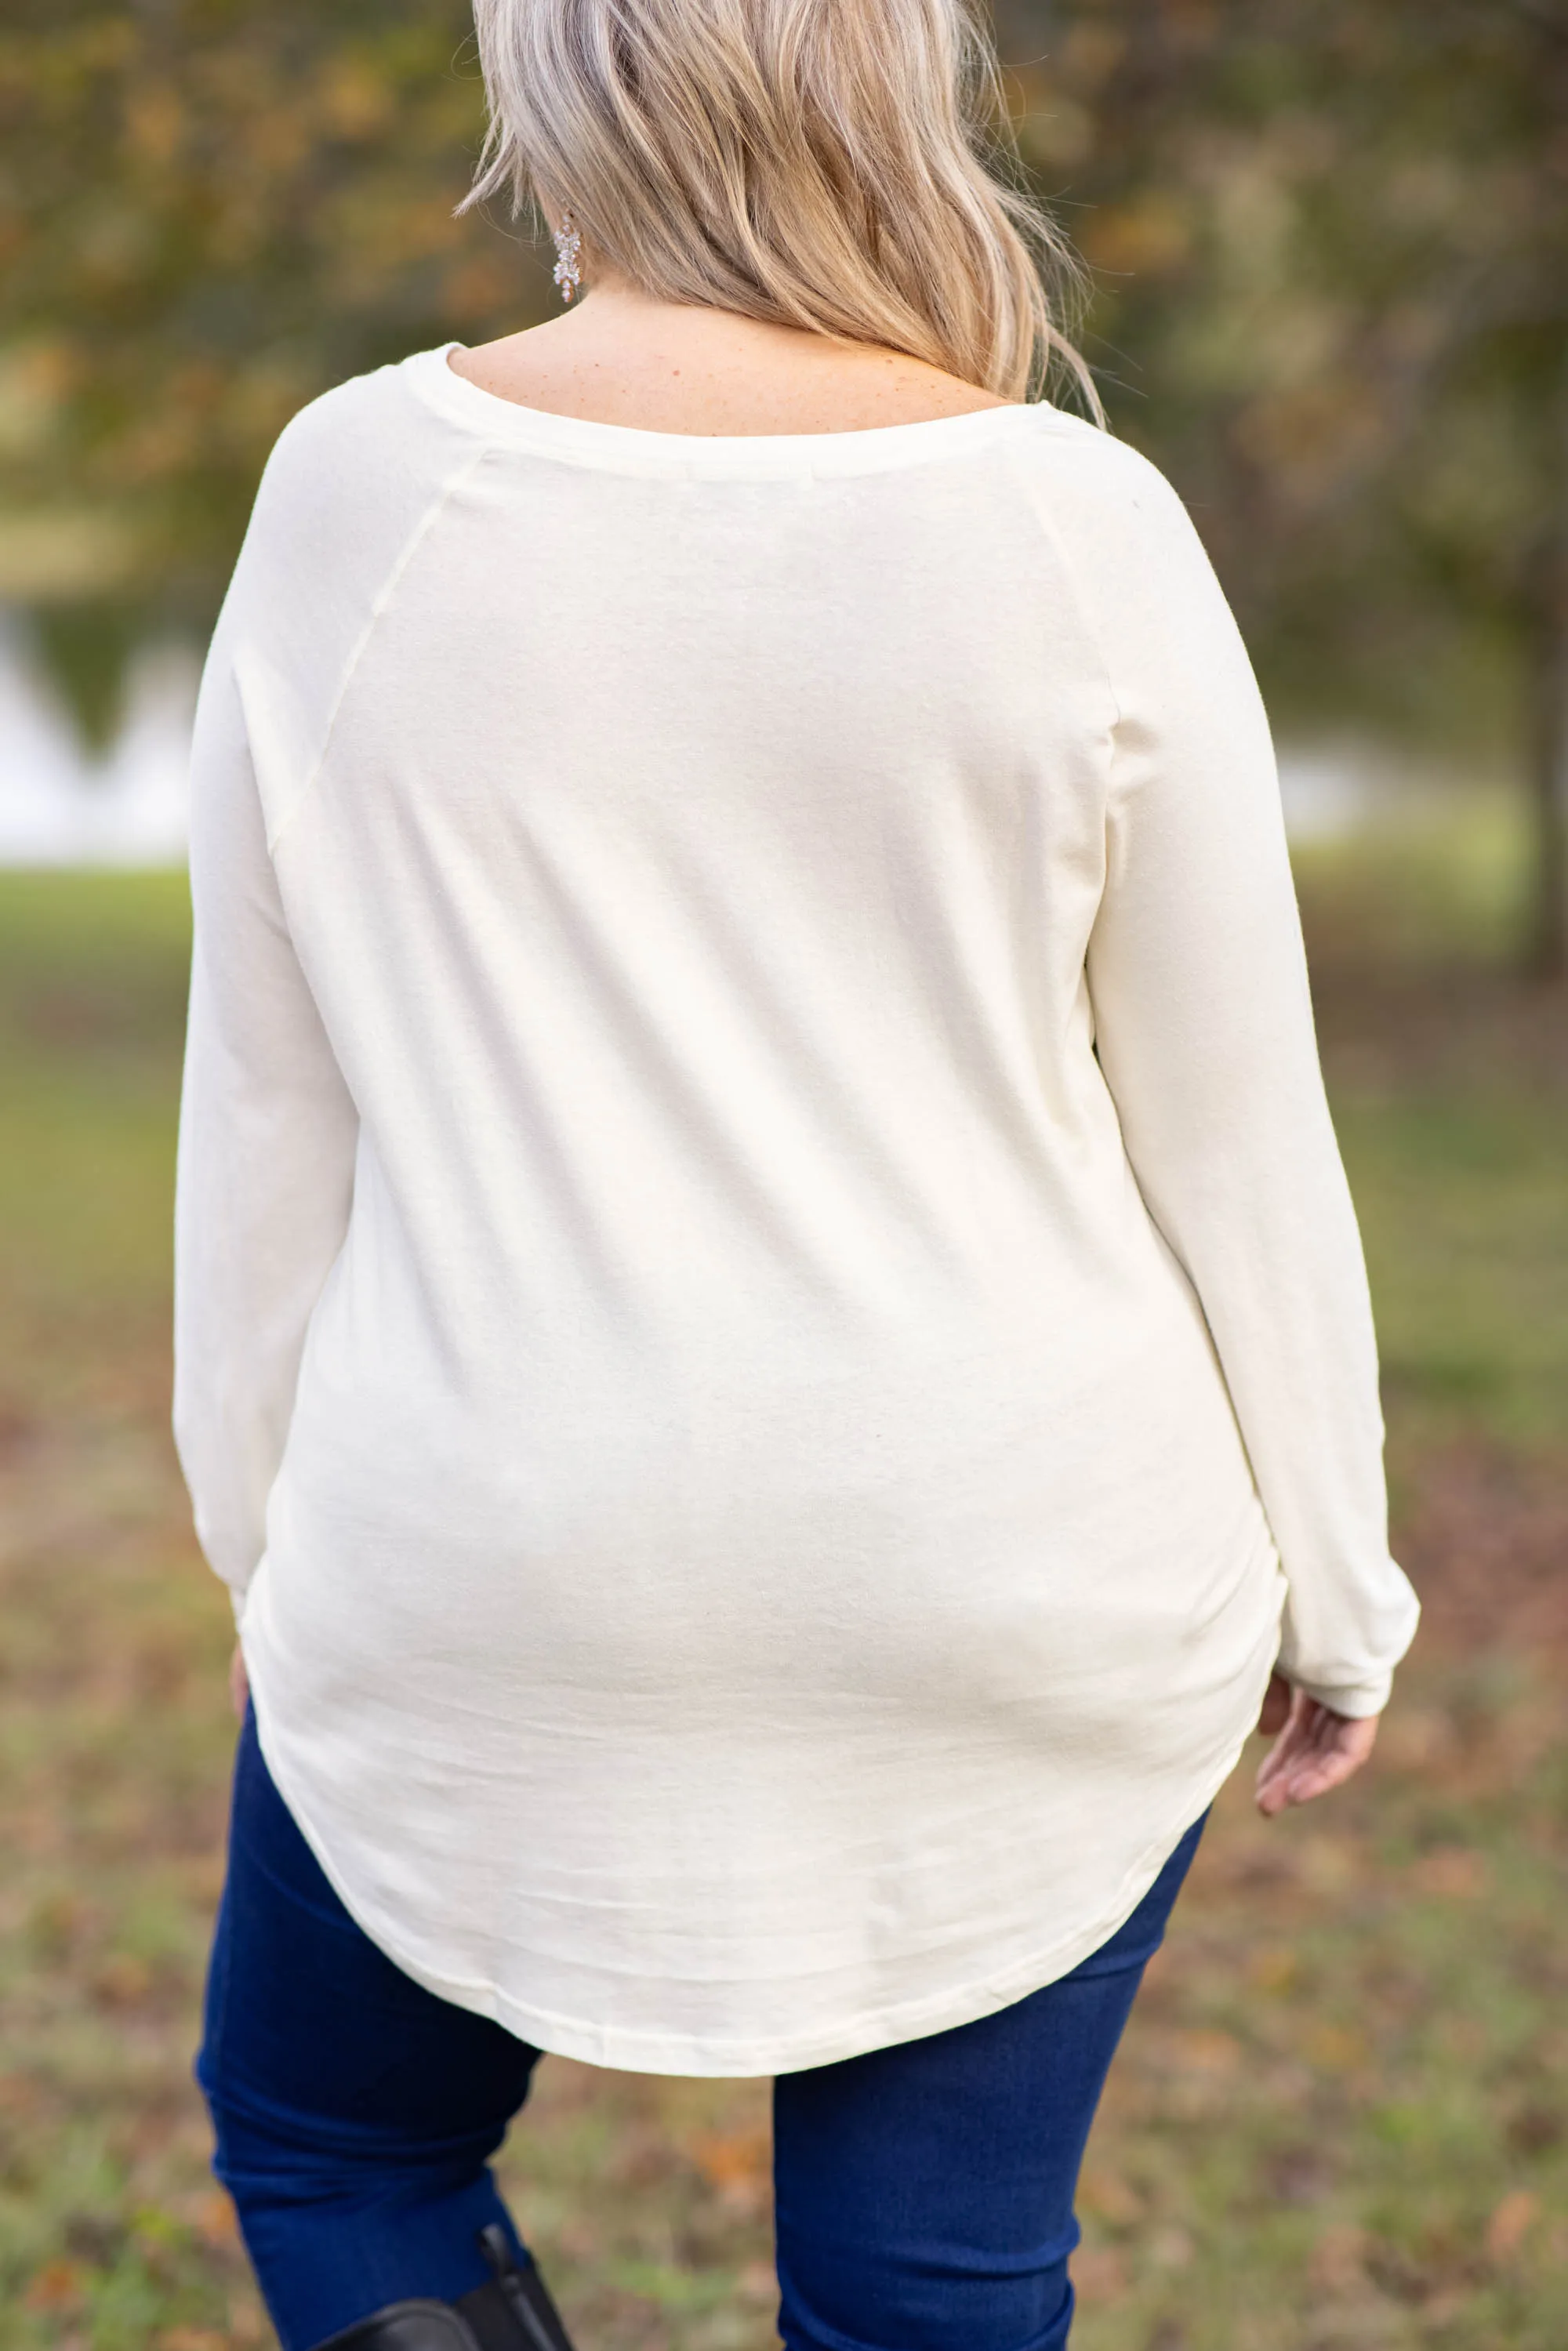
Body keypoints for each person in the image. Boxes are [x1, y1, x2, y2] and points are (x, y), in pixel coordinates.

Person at [173, 2, 1421, 2346]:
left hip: (489, 1545)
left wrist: (273, 1538)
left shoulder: (354, 487)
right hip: (1021, 1562)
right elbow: (1243, 1139)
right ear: (891, 82)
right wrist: (1335, 1592)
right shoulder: (1081, 522)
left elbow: (268, 1100)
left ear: (551, 84)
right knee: (932, 2281)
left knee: (341, 2143)